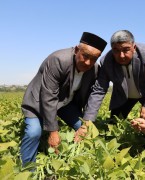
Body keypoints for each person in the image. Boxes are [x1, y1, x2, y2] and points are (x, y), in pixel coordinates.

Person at [20, 32, 107, 165]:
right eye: (85, 56)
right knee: (34, 133)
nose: (88, 62)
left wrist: (86, 124)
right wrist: (53, 132)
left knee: (88, 131)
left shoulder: (94, 69)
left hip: (66, 103)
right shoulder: (58, 60)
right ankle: (27, 169)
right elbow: (48, 97)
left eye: (94, 59)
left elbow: (93, 96)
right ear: (77, 50)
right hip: (39, 102)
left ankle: (77, 162)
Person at [83, 30, 145, 122]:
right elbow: (99, 90)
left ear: (134, 47)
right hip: (122, 97)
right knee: (114, 125)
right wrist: (87, 121)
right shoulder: (106, 61)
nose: (121, 55)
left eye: (126, 50)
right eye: (116, 50)